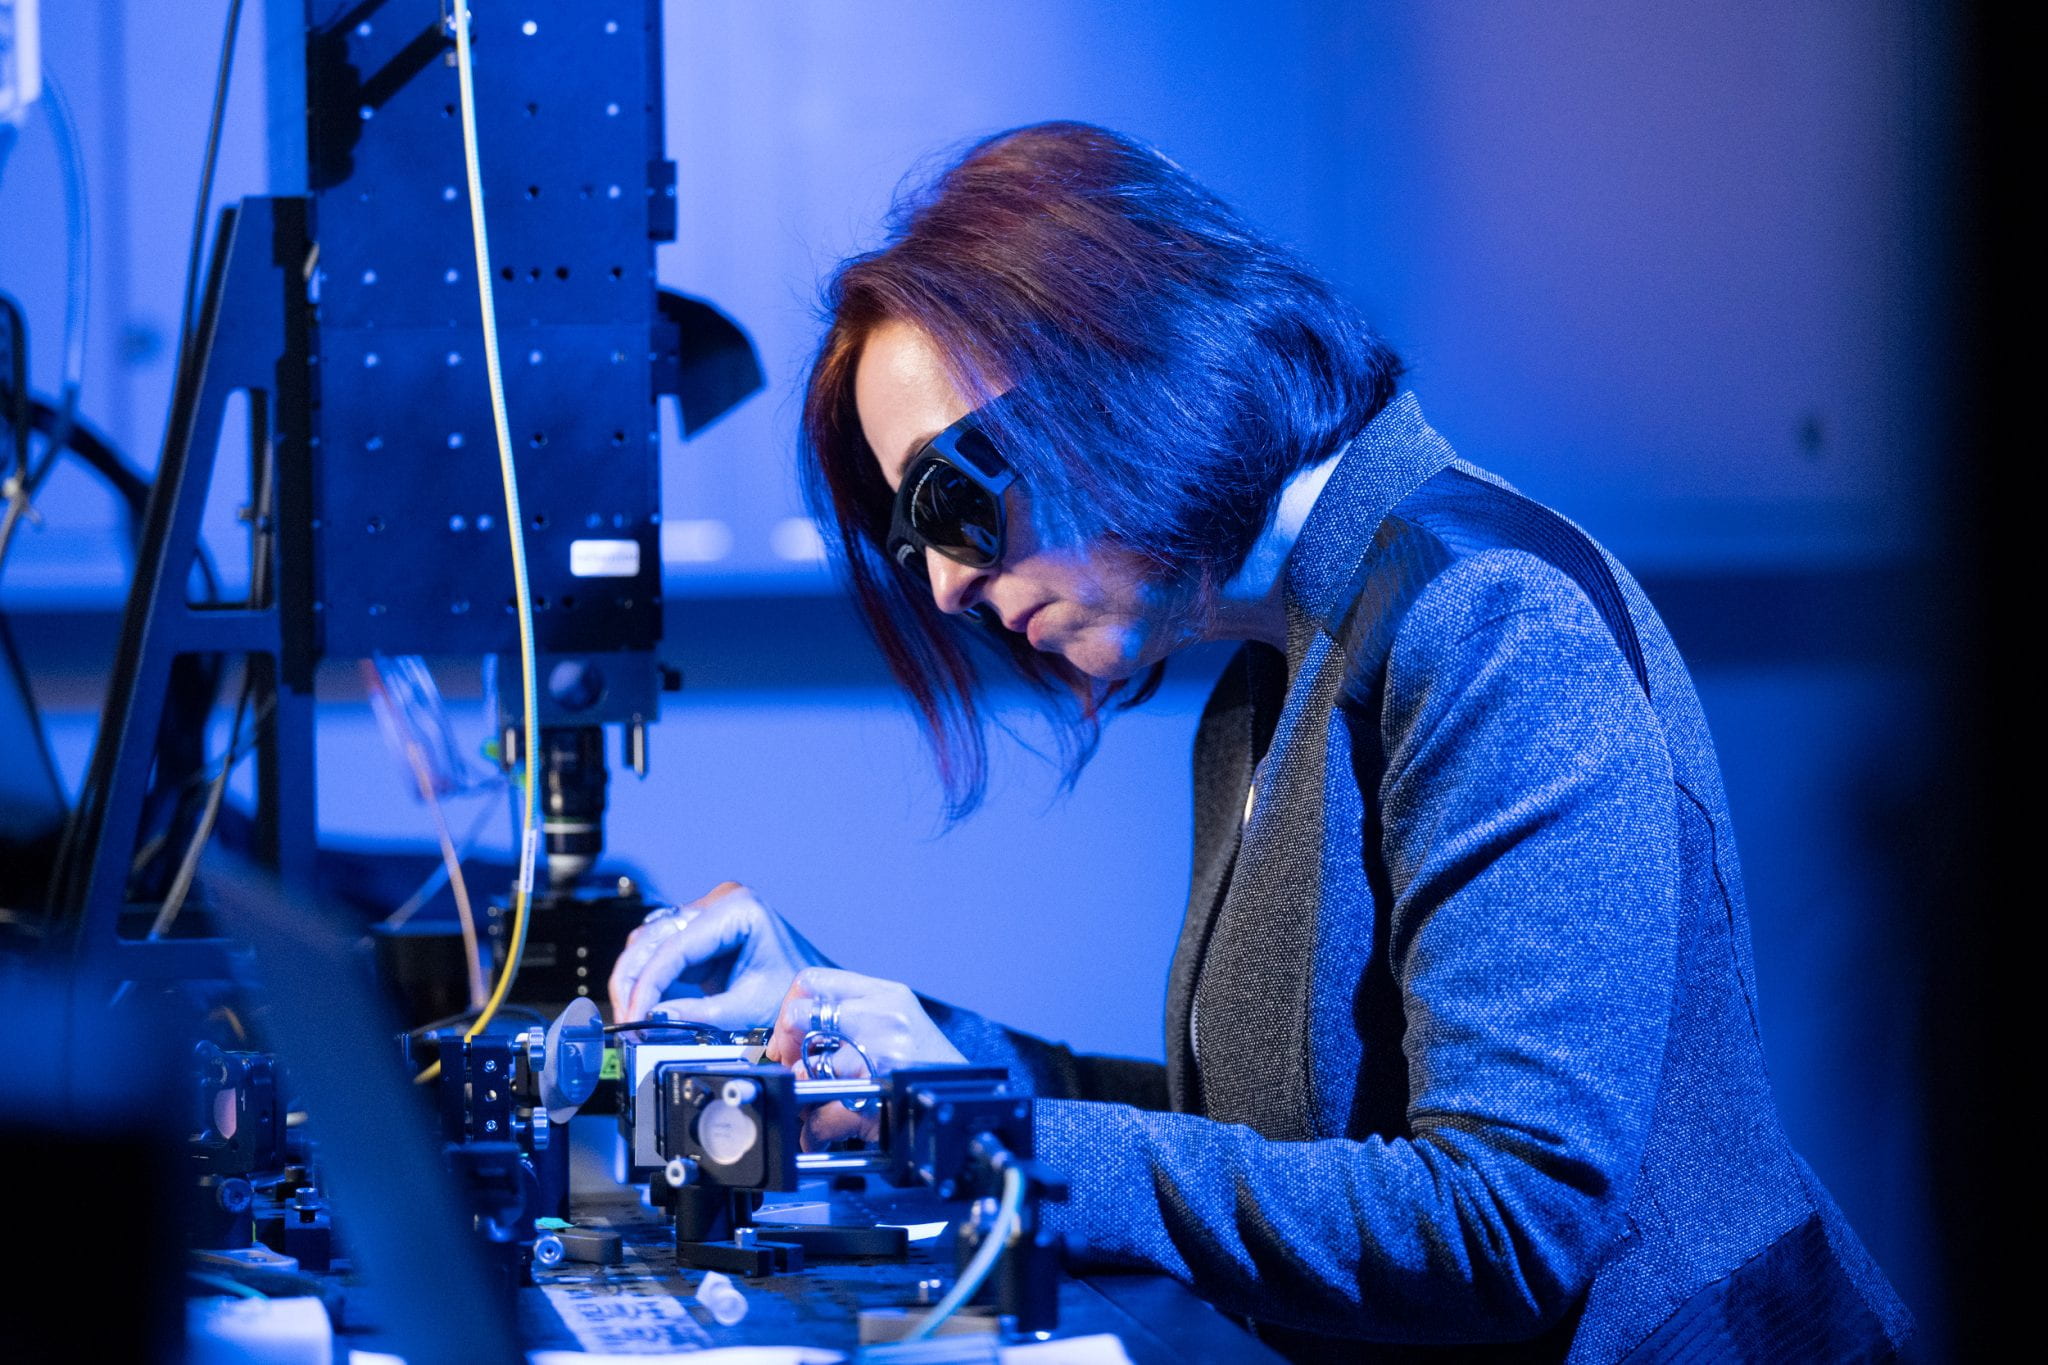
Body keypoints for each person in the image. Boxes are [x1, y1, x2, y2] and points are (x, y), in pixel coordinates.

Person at [610, 122, 1913, 1361]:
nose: (946, 586)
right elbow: (1260, 1142)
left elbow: (1508, 1221)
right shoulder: (1275, 669)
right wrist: (893, 1044)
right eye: (915, 538)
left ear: (1121, 368)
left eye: (952, 500)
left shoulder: (1486, 622)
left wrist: (989, 1133)